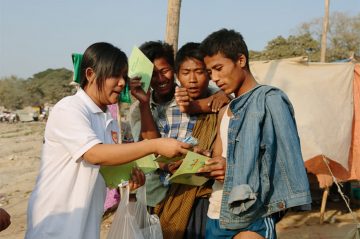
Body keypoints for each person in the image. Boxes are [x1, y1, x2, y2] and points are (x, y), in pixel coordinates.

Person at [25, 42, 190, 239]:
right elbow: (94, 154)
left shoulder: (108, 121)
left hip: (86, 224)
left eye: (124, 76)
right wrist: (155, 145)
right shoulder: (69, 108)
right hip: (56, 225)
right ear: (90, 74)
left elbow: (110, 171)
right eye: (115, 75)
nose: (122, 83)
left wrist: (130, 184)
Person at [198, 29, 312, 239]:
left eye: (219, 68)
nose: (215, 78)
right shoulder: (225, 109)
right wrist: (203, 163)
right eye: (210, 72)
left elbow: (282, 162)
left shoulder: (270, 100)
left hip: (253, 213)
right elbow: (220, 157)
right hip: (216, 211)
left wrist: (231, 168)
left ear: (241, 60)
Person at [129, 41, 230, 238]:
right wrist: (143, 103)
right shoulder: (137, 110)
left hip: (194, 194)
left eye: (164, 70)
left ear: (174, 70)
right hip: (154, 194)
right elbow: (147, 148)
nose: (160, 79)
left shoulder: (197, 96)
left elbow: (224, 99)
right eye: (152, 74)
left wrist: (223, 94)